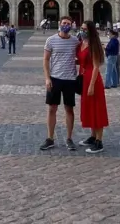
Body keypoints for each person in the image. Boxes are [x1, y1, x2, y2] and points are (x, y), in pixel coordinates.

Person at [40, 16, 80, 151]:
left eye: (68, 24)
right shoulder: (50, 40)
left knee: (69, 109)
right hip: (55, 78)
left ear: (72, 25)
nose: (66, 26)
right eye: (64, 23)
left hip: (70, 79)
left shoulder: (75, 41)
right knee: (52, 109)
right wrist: (47, 78)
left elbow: (82, 55)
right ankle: (50, 138)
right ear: (59, 24)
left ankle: (69, 138)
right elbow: (45, 60)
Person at [77, 21, 109, 153]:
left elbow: (96, 66)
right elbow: (79, 60)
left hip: (93, 79)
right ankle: (92, 136)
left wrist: (91, 85)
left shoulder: (94, 45)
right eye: (81, 28)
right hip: (84, 77)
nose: (82, 30)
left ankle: (99, 141)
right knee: (89, 108)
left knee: (97, 109)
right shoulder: (81, 43)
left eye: (85, 29)